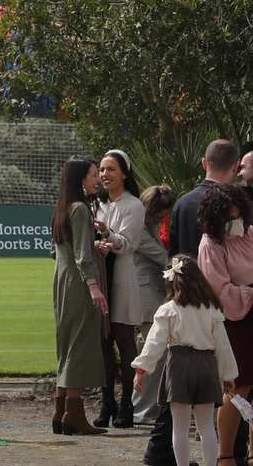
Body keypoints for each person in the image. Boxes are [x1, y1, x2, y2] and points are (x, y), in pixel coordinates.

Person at [144, 139, 245, 466]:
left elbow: (174, 253)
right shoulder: (235, 204)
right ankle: (229, 453)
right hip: (221, 302)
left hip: (184, 298)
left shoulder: (185, 202)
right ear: (235, 167)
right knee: (220, 399)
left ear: (204, 163)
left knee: (177, 404)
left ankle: (159, 450)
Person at [134, 255, 238, 466]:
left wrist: (141, 369)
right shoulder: (212, 309)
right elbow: (223, 345)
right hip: (206, 365)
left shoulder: (169, 309)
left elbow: (155, 342)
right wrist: (228, 375)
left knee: (180, 427)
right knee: (206, 426)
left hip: (179, 366)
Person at [197, 181, 253, 466]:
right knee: (237, 386)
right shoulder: (210, 245)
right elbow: (219, 291)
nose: (235, 219)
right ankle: (226, 456)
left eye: (238, 213)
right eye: (229, 215)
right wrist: (250, 293)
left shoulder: (250, 234)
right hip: (234, 321)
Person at [51, 155, 108, 435]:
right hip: (79, 284)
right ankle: (74, 414)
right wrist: (93, 285)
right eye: (94, 174)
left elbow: (56, 251)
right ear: (81, 179)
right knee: (79, 345)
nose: (98, 179)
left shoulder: (62, 208)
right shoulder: (81, 208)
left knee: (66, 344)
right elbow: (83, 255)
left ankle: (61, 410)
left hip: (62, 283)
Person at [94, 148, 145, 427]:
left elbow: (126, 244)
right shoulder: (96, 203)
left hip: (121, 278)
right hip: (101, 277)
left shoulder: (133, 205)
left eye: (111, 169)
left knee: (124, 341)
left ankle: (127, 403)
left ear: (124, 173)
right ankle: (106, 402)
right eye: (102, 169)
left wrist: (106, 233)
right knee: (103, 342)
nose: (105, 174)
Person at [132, 184, 174, 423]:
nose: (162, 220)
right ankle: (142, 410)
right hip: (145, 294)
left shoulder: (150, 227)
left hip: (153, 291)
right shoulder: (139, 230)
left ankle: (148, 407)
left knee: (156, 351)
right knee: (154, 353)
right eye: (159, 216)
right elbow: (163, 258)